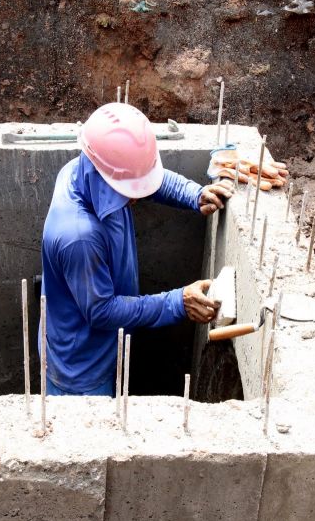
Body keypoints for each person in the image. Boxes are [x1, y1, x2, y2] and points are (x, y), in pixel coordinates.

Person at [40, 103, 233, 397]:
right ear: (105, 179)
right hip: (81, 373)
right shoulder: (78, 236)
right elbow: (102, 311)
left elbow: (140, 178)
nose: (136, 198)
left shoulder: (84, 172)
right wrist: (176, 303)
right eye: (130, 190)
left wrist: (191, 193)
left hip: (103, 345)